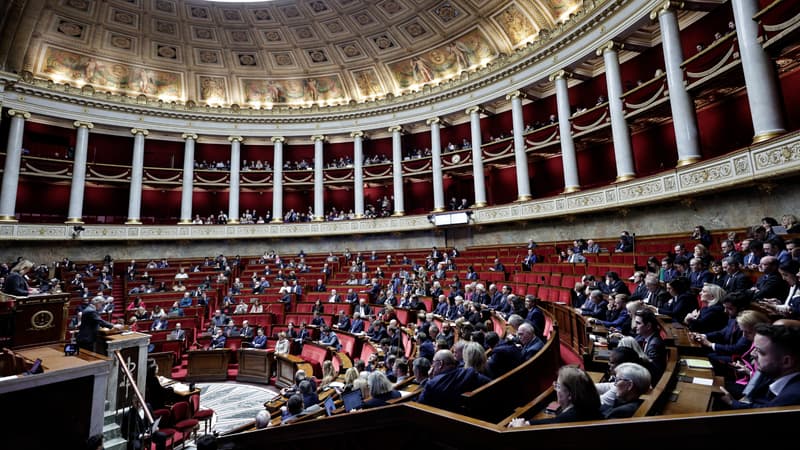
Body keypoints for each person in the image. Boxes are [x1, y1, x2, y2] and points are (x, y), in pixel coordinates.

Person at [719, 324, 800, 408]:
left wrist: (732, 403)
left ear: (786, 362)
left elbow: (764, 412)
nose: (752, 354)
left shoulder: (792, 396)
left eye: (759, 351)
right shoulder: (773, 373)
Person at [510, 366, 602, 426]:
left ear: (570, 394)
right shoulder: (588, 405)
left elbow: (556, 422)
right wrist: (528, 423)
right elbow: (553, 421)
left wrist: (522, 427)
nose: (556, 390)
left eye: (558, 386)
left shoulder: (570, 418)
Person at [417, 349, 490, 412]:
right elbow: (488, 382)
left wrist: (430, 379)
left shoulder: (432, 384)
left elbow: (419, 405)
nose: (432, 366)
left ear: (440, 364)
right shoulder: (469, 374)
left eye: (433, 362)